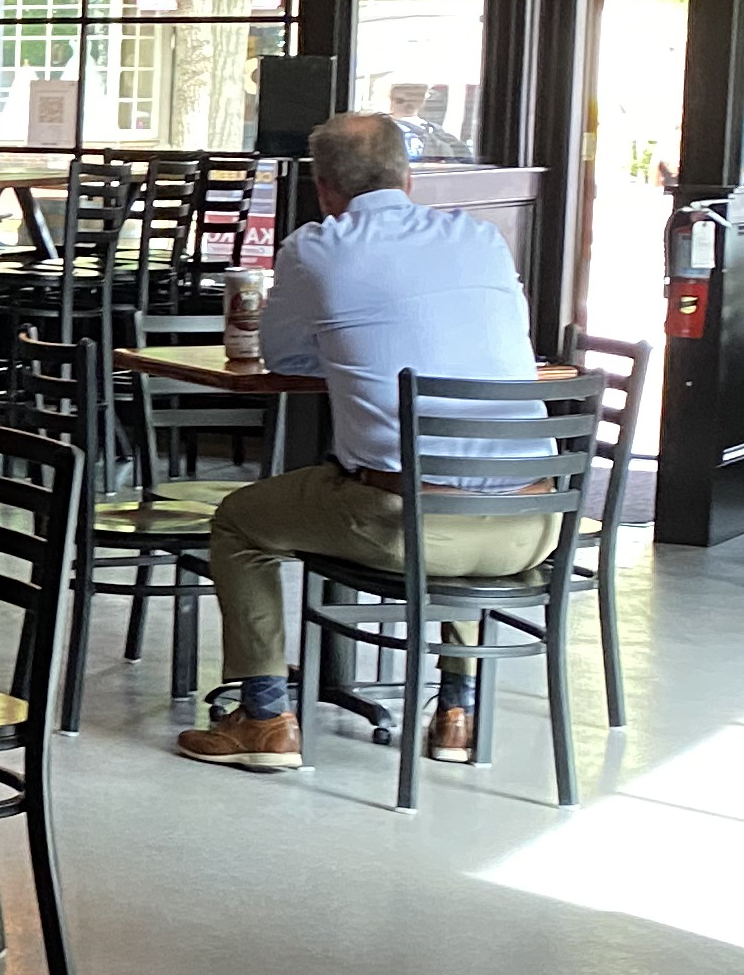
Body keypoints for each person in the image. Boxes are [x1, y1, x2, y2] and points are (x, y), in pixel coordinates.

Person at [177, 112, 549, 774]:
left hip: (410, 530)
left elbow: (284, 357)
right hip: (535, 526)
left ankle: (264, 718)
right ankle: (456, 712)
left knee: (238, 520)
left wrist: (353, 348)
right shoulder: (482, 237)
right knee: (455, 482)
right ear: (409, 177)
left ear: (324, 189)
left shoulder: (317, 248)